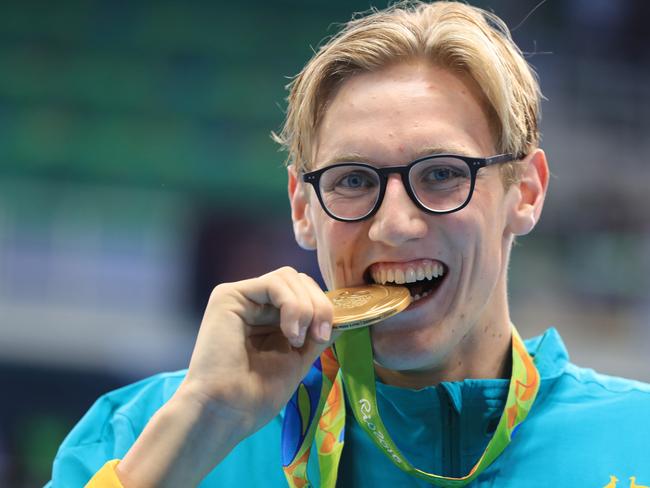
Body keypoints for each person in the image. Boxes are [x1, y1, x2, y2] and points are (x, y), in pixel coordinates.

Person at [47, 2, 650, 487]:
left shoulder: (637, 441)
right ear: (302, 208)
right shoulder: (135, 435)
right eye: (354, 181)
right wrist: (204, 424)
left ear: (526, 192)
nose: (394, 225)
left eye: (441, 174)